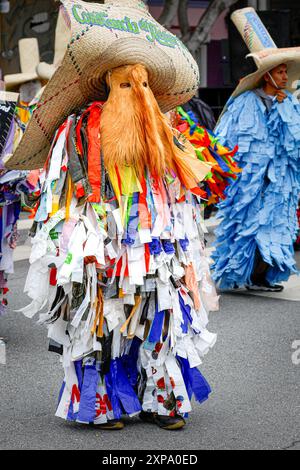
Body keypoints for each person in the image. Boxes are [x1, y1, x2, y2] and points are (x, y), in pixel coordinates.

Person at [8, 0, 218, 431]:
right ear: (106, 83)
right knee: (103, 319)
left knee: (159, 314)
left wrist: (180, 237)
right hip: (99, 237)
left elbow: (184, 185)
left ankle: (163, 400)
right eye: (125, 85)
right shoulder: (80, 128)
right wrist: (79, 241)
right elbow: (62, 193)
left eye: (142, 85)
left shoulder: (163, 129)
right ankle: (102, 403)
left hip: (155, 245)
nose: (136, 93)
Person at [212, 7, 300, 292]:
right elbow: (227, 139)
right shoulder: (246, 102)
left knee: (276, 224)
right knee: (247, 224)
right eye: (280, 71)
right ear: (267, 76)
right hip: (249, 180)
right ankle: (243, 272)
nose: (285, 76)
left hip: (279, 181)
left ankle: (262, 274)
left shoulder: (289, 103)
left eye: (286, 71)